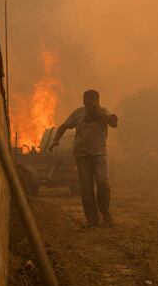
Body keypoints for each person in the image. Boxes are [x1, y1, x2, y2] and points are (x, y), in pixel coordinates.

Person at [48, 89, 118, 227]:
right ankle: (92, 219)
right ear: (83, 101)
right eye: (86, 101)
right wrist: (55, 139)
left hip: (99, 154)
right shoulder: (78, 113)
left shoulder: (103, 112)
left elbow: (114, 123)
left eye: (92, 100)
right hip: (82, 156)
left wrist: (98, 112)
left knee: (103, 183)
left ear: (98, 101)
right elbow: (64, 126)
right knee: (86, 189)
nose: (89, 104)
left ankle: (104, 211)